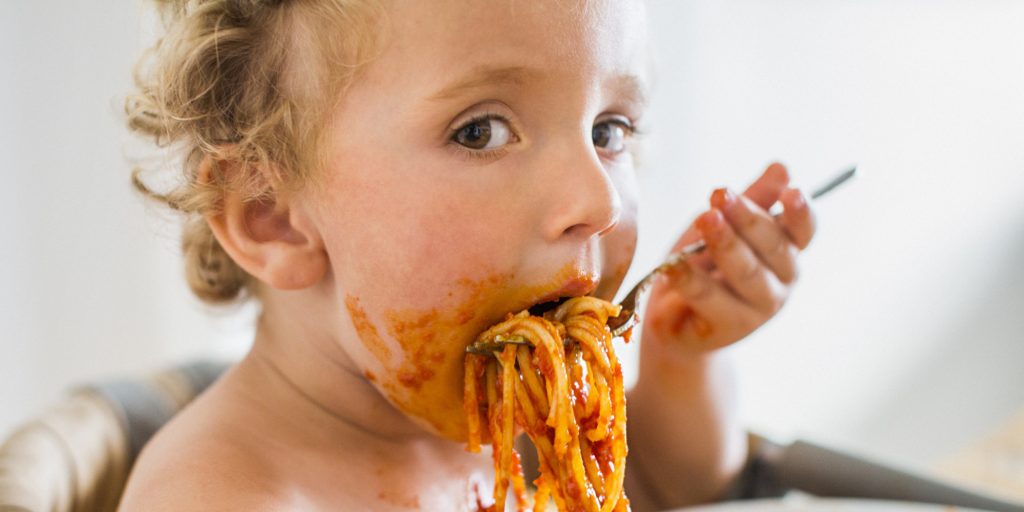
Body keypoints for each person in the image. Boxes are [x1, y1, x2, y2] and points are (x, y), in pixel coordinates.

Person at [117, 0, 815, 510]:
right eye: (480, 131)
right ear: (274, 220)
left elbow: (675, 489)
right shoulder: (221, 496)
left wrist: (682, 360)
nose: (596, 201)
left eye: (609, 129)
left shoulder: (526, 421)